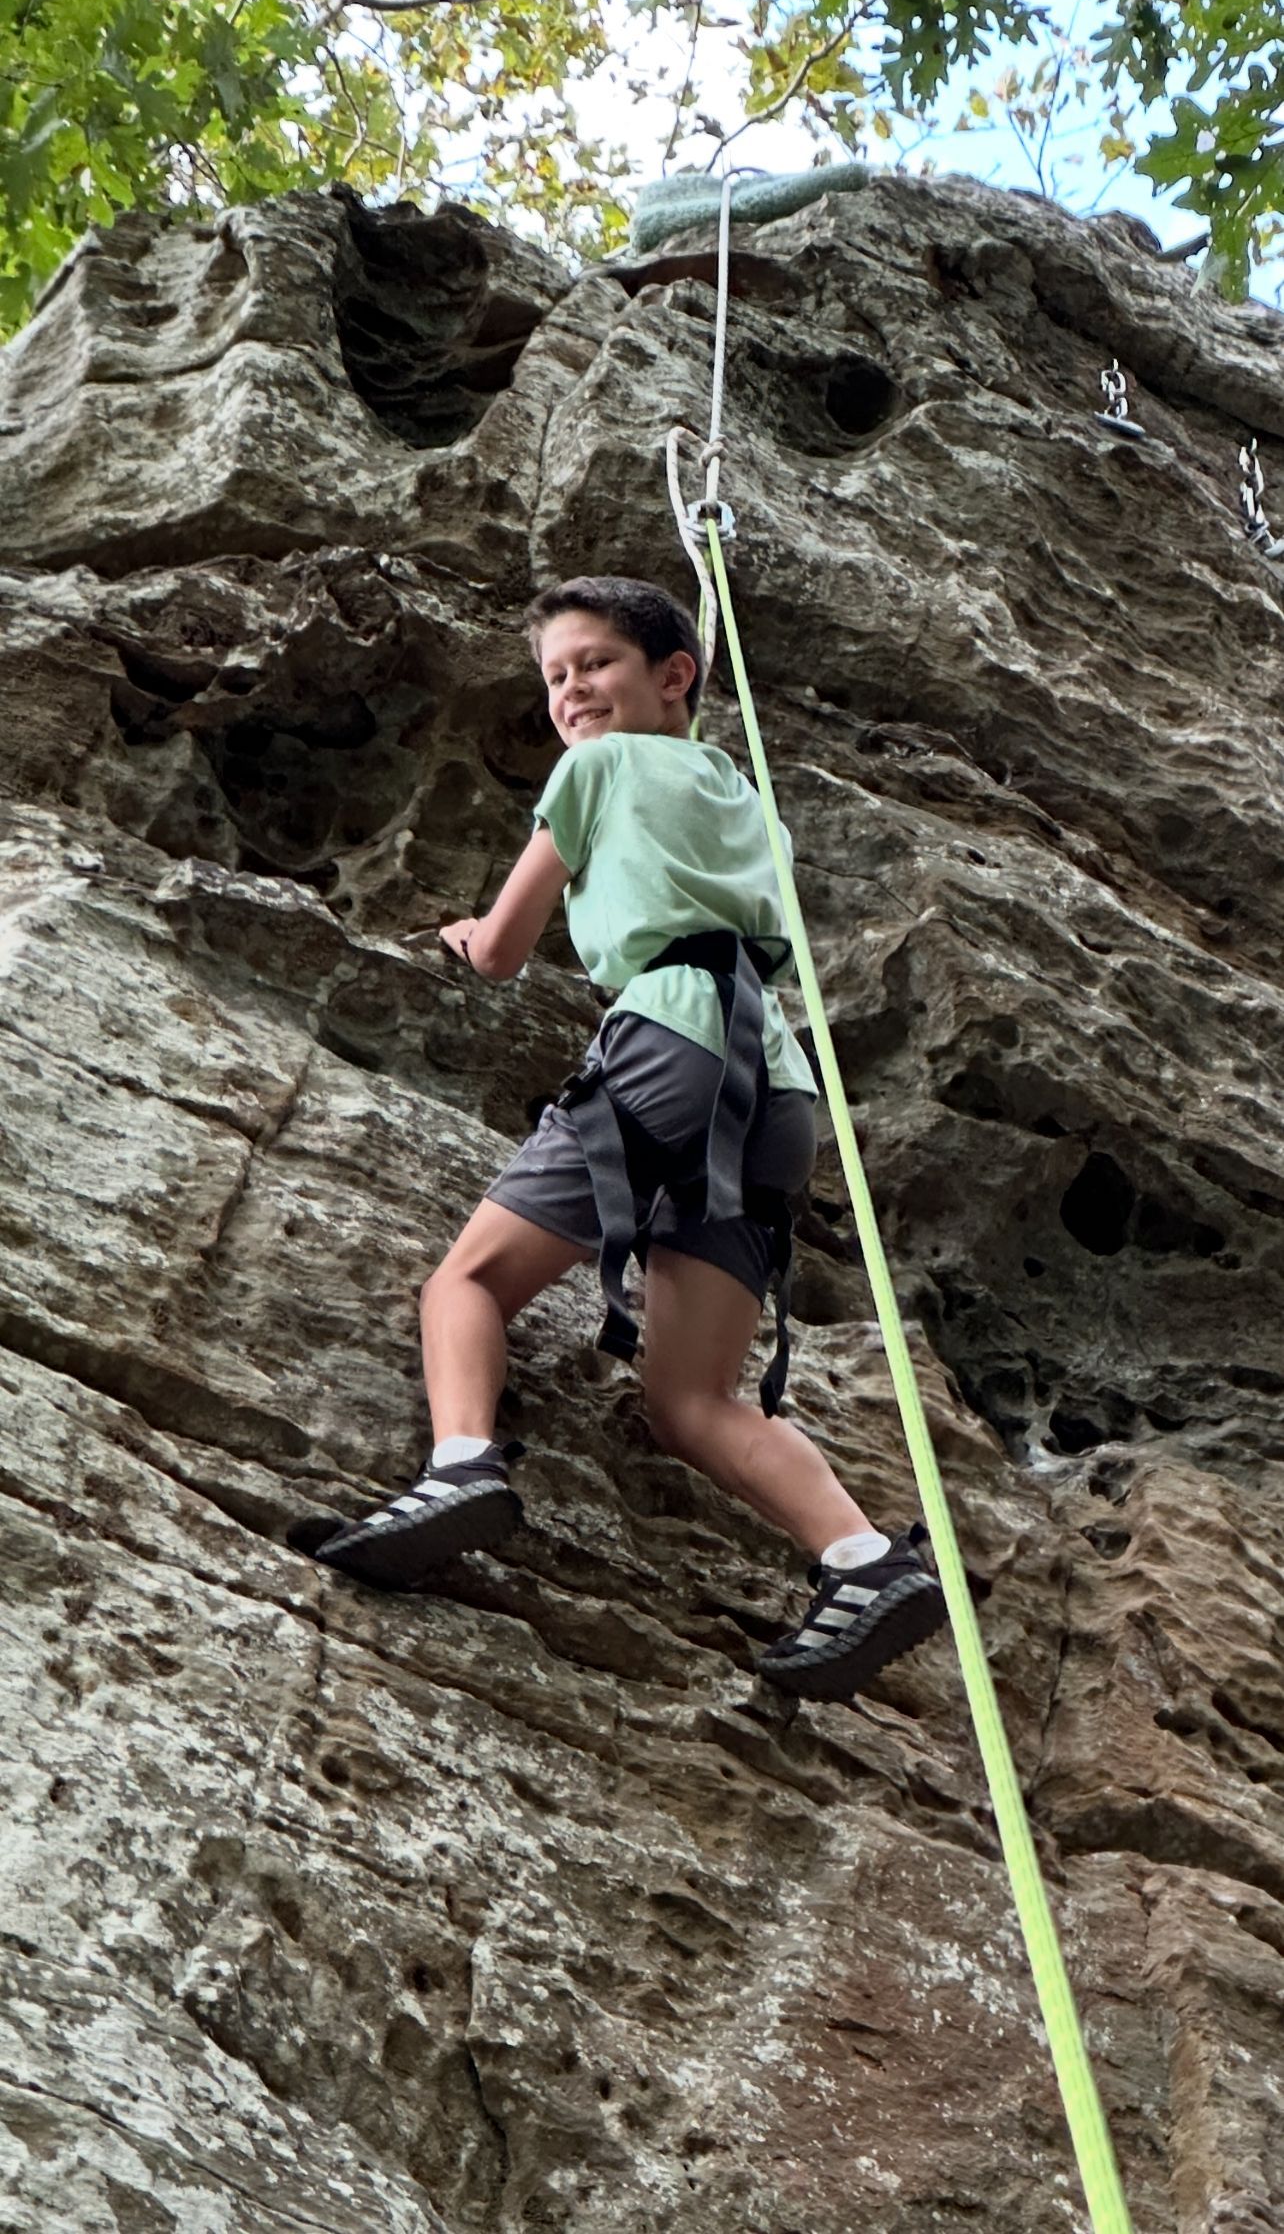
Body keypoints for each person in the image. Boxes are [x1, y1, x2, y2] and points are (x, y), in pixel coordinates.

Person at [310, 576, 947, 1700]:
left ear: (675, 674)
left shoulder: (593, 770)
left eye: (592, 662)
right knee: (690, 1397)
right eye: (555, 676)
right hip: (775, 1088)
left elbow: (504, 947)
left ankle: (461, 1465)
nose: (569, 692)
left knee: (464, 1282)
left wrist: (459, 934)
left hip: (671, 1042)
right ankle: (860, 1558)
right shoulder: (749, 800)